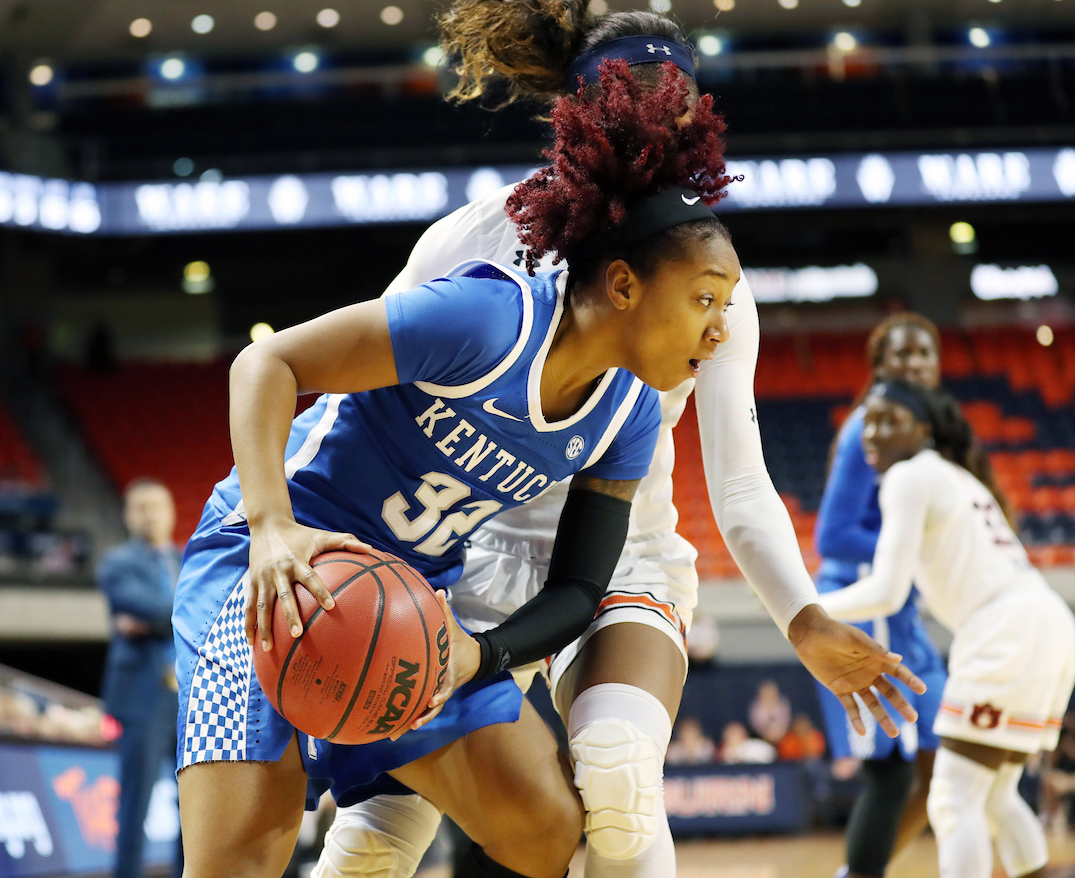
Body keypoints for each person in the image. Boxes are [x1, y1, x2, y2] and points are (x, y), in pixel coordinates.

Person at [313, 5, 926, 878]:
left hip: (619, 549)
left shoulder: (713, 278)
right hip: (465, 550)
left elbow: (742, 486)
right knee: (373, 845)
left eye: (674, 102)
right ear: (578, 108)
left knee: (620, 776)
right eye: (631, 98)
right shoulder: (473, 240)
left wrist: (803, 620)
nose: (655, 119)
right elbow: (368, 398)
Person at [177, 57, 745, 878]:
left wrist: (481, 655)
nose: (720, 331)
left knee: (544, 831)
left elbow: (579, 592)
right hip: (272, 566)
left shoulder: (626, 418)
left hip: (406, 598)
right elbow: (265, 366)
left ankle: (382, 789)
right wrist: (271, 527)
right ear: (623, 285)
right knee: (240, 865)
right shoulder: (489, 319)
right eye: (704, 300)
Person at [818, 379, 1075, 878]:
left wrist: (807, 609)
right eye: (867, 420)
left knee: (954, 800)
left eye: (889, 420)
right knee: (995, 797)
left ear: (923, 429)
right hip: (1049, 622)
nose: (872, 433)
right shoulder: (956, 476)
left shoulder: (909, 477)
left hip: (1007, 628)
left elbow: (887, 591)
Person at [813, 313, 950, 878]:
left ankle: (869, 866)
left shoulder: (922, 426)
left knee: (943, 759)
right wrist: (912, 544)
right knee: (892, 770)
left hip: (900, 607)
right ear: (879, 368)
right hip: (864, 599)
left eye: (925, 354)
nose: (915, 364)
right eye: (903, 355)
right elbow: (833, 535)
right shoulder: (865, 426)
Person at [98, 478, 183, 878]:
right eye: (142, 507)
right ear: (129, 516)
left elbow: (202, 610)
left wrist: (152, 621)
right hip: (142, 699)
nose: (151, 515)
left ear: (172, 512)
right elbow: (172, 608)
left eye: (158, 506)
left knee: (196, 804)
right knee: (135, 804)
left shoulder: (187, 559)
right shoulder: (116, 562)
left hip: (187, 697)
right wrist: (176, 616)